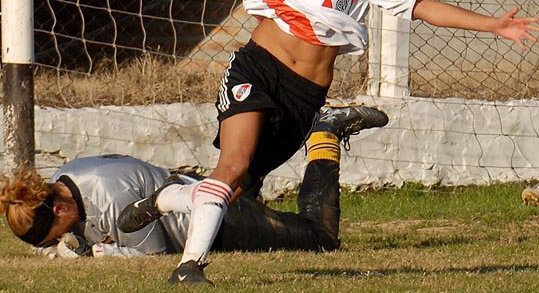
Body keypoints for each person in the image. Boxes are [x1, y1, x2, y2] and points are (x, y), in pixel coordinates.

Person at [89, 0, 539, 284]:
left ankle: (166, 199)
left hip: (305, 96)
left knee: (237, 188)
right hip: (258, 71)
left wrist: (494, 24)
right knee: (232, 167)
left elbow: (423, 8)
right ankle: (189, 269)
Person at [0, 105, 387, 261]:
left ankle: (324, 132)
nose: (56, 243)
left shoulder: (114, 202)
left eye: (53, 237)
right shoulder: (59, 183)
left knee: (319, 238)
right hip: (193, 189)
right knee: (251, 167)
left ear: (61, 209)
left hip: (214, 221)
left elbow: (156, 255)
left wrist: (101, 254)